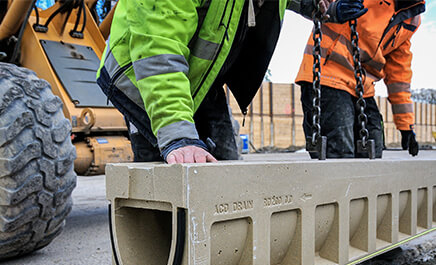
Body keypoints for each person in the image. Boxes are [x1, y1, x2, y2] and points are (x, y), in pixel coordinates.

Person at [97, 0, 366, 164]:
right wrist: (177, 135)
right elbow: (157, 50)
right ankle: (157, 249)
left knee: (225, 169)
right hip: (143, 79)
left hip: (199, 79)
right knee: (163, 183)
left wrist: (316, 4)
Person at [295, 0, 425, 159]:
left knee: (373, 148)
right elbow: (315, 4)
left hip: (362, 87)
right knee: (339, 152)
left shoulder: (412, 17)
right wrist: (333, 9)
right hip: (327, 74)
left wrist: (406, 126)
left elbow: (399, 76)